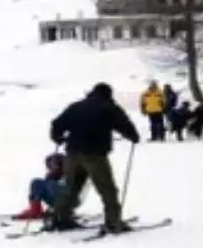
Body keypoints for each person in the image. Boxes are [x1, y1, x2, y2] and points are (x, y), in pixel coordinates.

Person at [50, 83, 141, 234]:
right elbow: (123, 123)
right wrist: (133, 136)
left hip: (72, 154)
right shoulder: (108, 107)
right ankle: (113, 222)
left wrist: (57, 138)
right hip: (94, 155)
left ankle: (60, 218)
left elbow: (57, 124)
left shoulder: (76, 106)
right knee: (107, 189)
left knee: (70, 187)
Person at [14, 153, 68, 220]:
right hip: (57, 199)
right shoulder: (52, 176)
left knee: (46, 184)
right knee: (37, 183)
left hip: (67, 199)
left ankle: (59, 211)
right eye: (49, 165)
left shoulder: (68, 173)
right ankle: (35, 209)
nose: (49, 168)